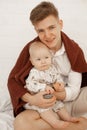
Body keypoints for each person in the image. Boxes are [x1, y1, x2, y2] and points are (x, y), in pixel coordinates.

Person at [7, 1, 87, 130]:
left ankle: (64, 122)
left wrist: (55, 91)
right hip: (44, 105)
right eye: (41, 30)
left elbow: (74, 90)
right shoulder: (32, 50)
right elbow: (12, 81)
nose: (48, 35)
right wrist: (33, 99)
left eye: (51, 27)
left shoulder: (74, 50)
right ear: (35, 30)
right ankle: (77, 125)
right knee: (21, 124)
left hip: (71, 99)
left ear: (60, 24)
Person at [24, 41, 79, 128]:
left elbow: (57, 77)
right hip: (39, 99)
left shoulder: (52, 68)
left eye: (46, 57)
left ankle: (68, 118)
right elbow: (30, 84)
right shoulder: (34, 72)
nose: (43, 62)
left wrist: (60, 84)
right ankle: (55, 123)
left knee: (59, 106)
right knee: (45, 110)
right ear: (32, 61)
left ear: (51, 57)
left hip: (53, 96)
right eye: (38, 59)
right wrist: (44, 87)